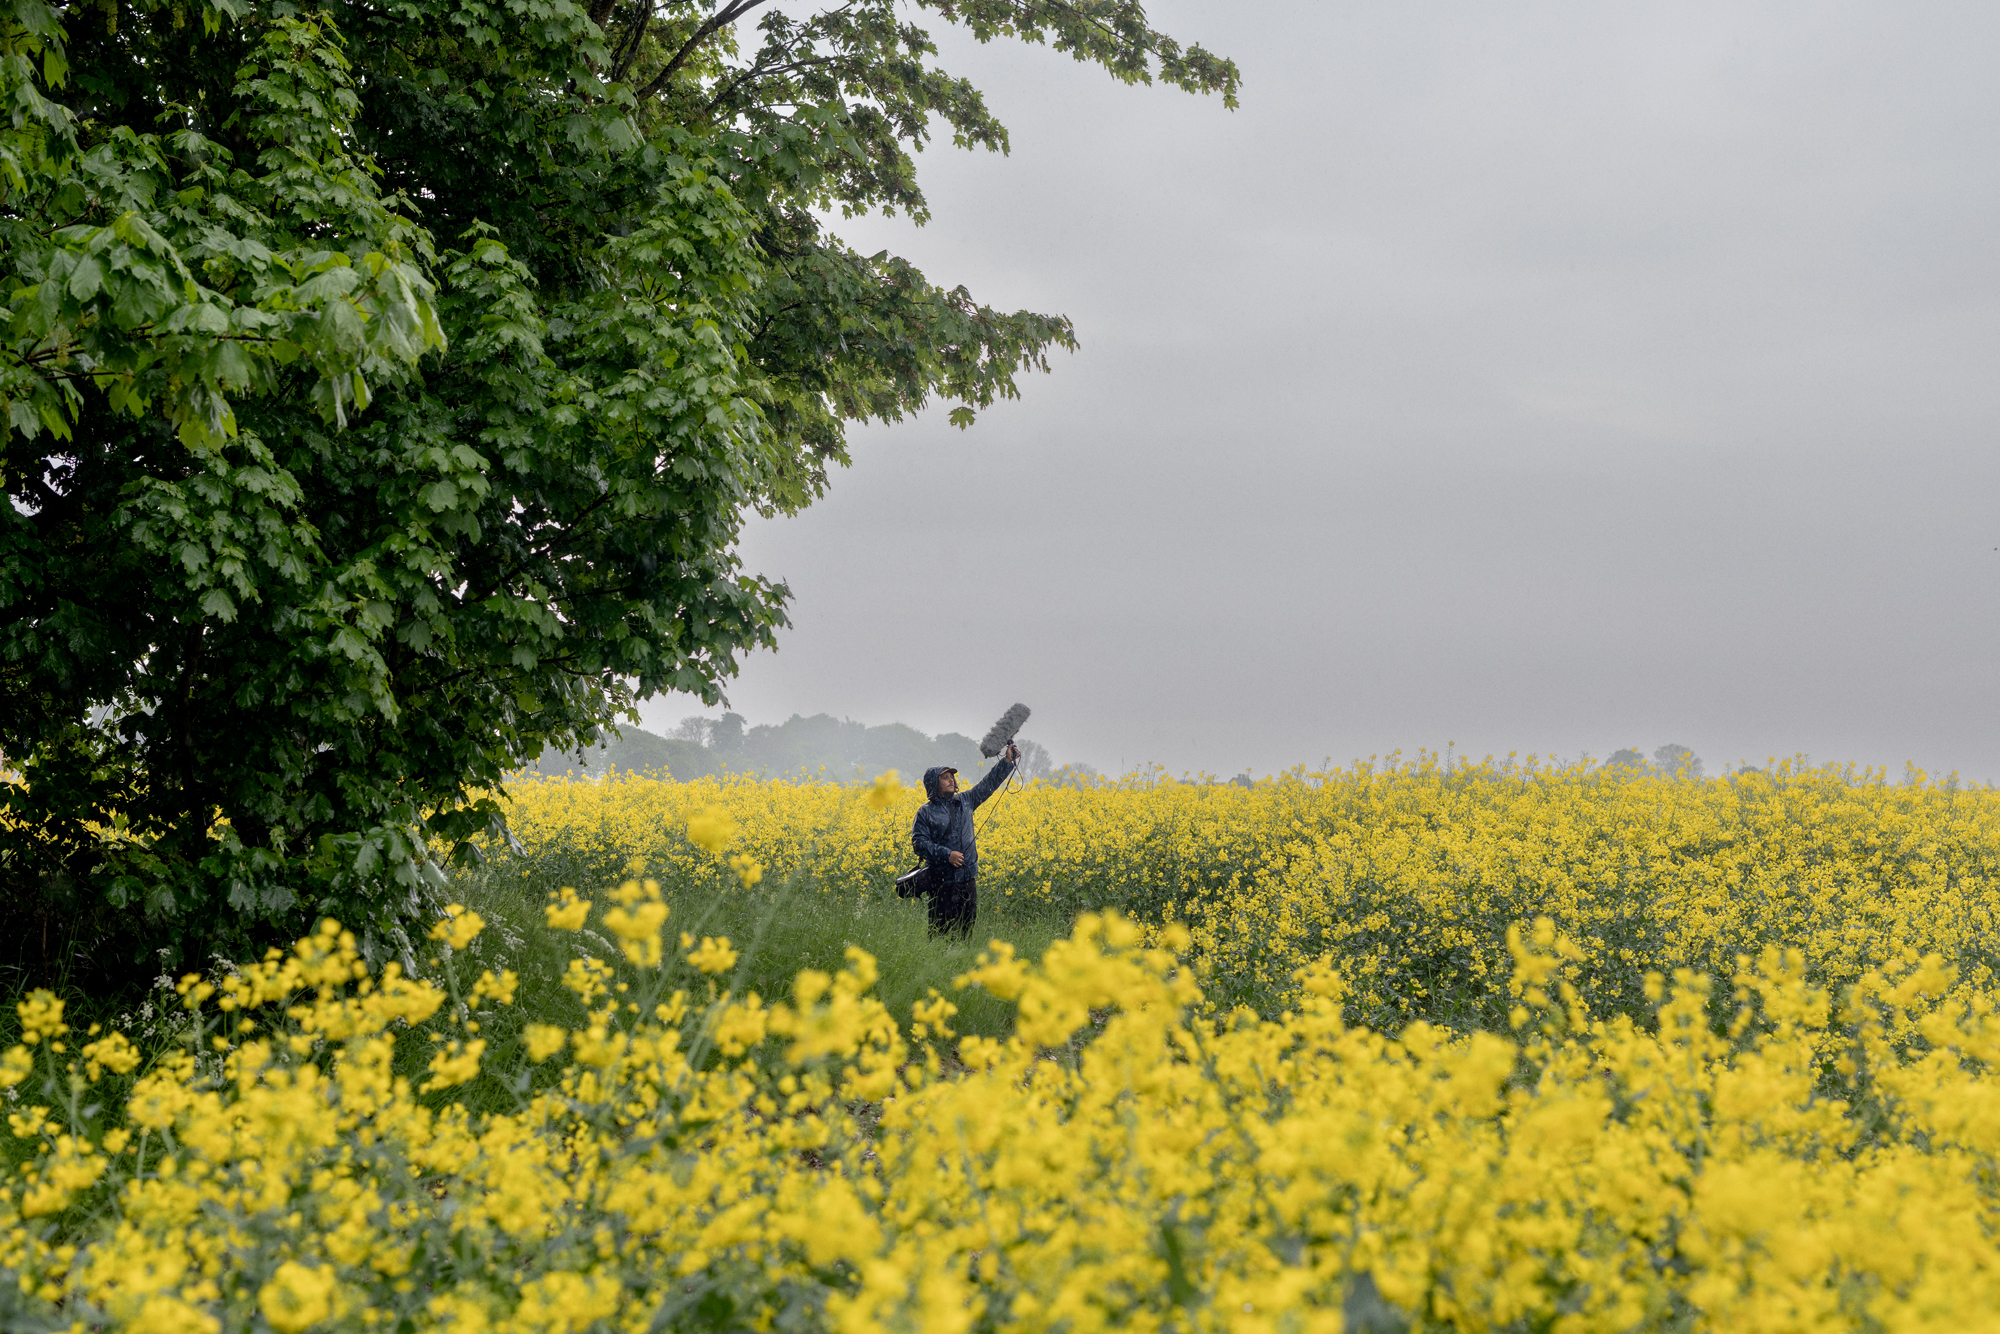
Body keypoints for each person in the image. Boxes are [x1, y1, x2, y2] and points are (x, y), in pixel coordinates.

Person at [911, 743, 1019, 937]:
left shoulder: (966, 801)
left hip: (967, 880)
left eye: (951, 776)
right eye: (945, 777)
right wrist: (947, 855)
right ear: (934, 784)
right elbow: (919, 844)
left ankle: (962, 964)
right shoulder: (925, 812)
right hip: (941, 882)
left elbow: (988, 784)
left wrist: (1007, 761)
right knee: (939, 932)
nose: (951, 779)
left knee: (966, 932)